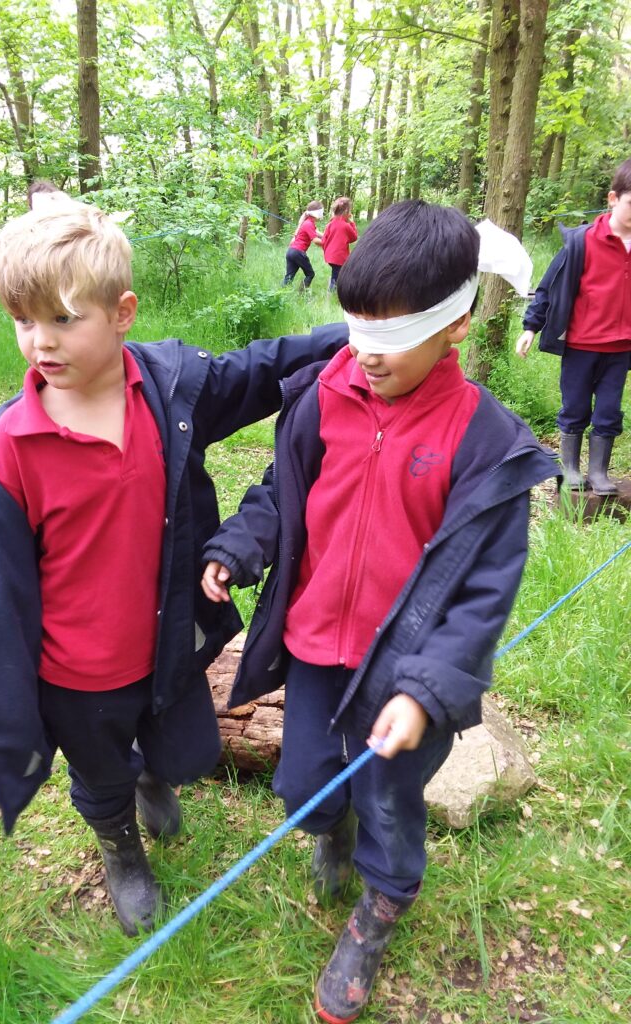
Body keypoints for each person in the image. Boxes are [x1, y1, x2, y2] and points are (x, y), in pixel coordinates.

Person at [0, 198, 347, 937]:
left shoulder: (171, 391)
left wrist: (362, 332)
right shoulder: (13, 451)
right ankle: (121, 849)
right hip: (74, 675)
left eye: (63, 319)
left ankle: (152, 771)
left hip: (167, 644)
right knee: (100, 775)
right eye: (23, 321)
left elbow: (261, 370)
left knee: (188, 753)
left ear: (122, 313)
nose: (39, 342)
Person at [201, 201, 559, 1022]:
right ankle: (330, 829)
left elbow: (482, 594)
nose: (367, 353)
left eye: (392, 337)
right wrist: (240, 545)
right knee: (303, 788)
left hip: (407, 676)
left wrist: (427, 689)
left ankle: (380, 907)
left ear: (457, 326)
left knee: (393, 801)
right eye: (356, 328)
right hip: (318, 649)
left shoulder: (486, 445)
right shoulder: (324, 396)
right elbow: (284, 496)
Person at [516, 157, 631, 494]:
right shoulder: (582, 243)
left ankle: (599, 472)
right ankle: (569, 468)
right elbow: (549, 288)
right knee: (576, 406)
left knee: (609, 410)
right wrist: (529, 327)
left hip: (621, 349)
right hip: (581, 345)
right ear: (612, 199)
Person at [283, 200, 324, 290]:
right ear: (318, 213)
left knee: (289, 276)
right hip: (298, 252)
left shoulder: (307, 222)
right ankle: (302, 294)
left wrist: (327, 236)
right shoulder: (309, 224)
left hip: (291, 251)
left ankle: (282, 294)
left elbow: (316, 233)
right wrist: (328, 244)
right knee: (310, 274)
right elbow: (316, 241)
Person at [321, 197, 358, 292]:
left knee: (337, 273)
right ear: (346, 211)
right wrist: (352, 223)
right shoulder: (346, 225)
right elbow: (354, 237)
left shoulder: (330, 224)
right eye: (350, 211)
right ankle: (332, 292)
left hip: (330, 256)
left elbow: (324, 240)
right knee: (339, 275)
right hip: (339, 257)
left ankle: (335, 289)